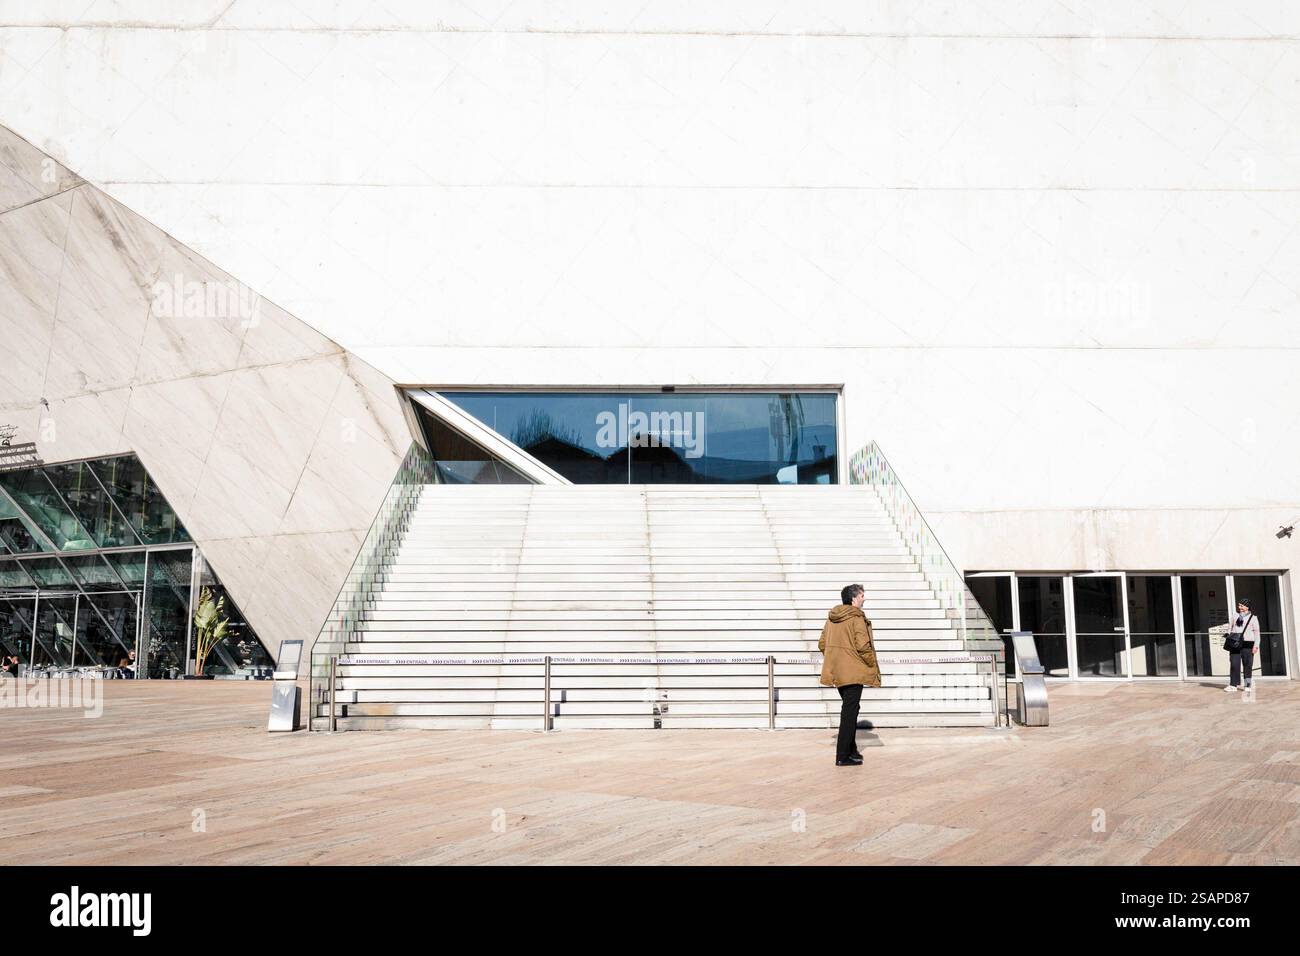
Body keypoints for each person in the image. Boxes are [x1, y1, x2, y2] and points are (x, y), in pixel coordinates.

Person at [819, 583, 882, 766]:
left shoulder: (832, 618)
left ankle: (851, 751)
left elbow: (822, 643)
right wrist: (871, 665)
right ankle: (842, 756)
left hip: (838, 671)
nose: (864, 598)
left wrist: (836, 658)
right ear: (854, 598)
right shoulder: (857, 618)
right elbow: (863, 645)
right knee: (849, 712)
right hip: (854, 671)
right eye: (862, 595)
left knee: (851, 710)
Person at [1224, 598, 1260, 693]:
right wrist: (1228, 634)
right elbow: (1230, 627)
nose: (1239, 607)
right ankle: (1233, 685)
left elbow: (1257, 633)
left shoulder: (1253, 618)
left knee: (1248, 665)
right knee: (1234, 664)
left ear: (1247, 607)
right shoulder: (1235, 616)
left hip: (1248, 644)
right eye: (1239, 605)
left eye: (1241, 605)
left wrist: (1256, 646)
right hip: (1235, 643)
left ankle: (1247, 685)